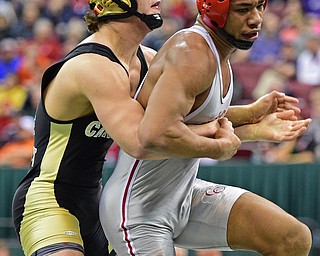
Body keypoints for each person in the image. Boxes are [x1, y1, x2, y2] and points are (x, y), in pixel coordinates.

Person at [11, 0, 237, 255]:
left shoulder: (147, 60)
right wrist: (218, 147)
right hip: (48, 201)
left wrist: (255, 118)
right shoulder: (92, 66)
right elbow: (143, 142)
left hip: (97, 202)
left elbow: (188, 120)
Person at [99, 0, 313, 255]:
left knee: (292, 238)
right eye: (244, 10)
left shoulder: (216, 51)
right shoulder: (192, 52)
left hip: (183, 194)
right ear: (214, 9)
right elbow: (153, 136)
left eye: (260, 6)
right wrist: (218, 150)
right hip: (138, 211)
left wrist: (251, 117)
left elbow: (195, 119)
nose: (256, 19)